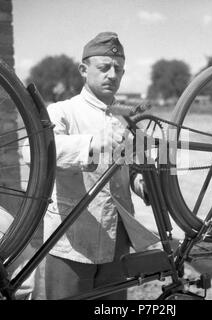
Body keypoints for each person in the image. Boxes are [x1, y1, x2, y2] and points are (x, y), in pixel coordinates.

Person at [44, 32, 159, 300]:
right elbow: (39, 153)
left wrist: (141, 184)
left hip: (116, 240)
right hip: (71, 240)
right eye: (104, 67)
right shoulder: (62, 112)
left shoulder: (126, 118)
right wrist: (93, 143)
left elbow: (132, 167)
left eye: (118, 69)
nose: (112, 75)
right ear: (84, 70)